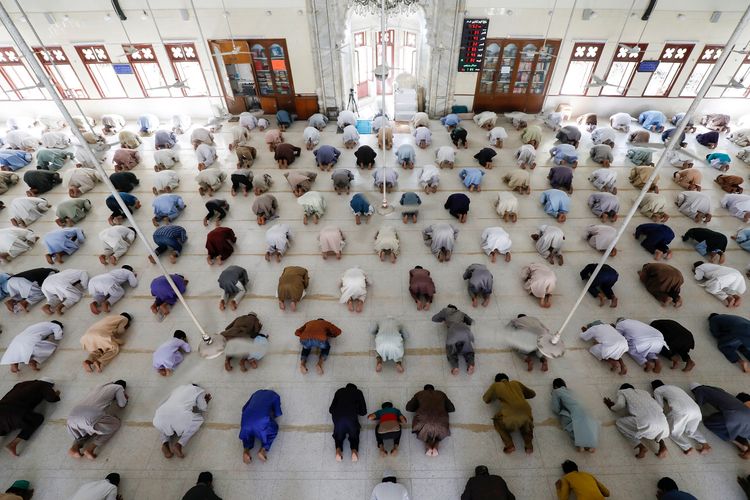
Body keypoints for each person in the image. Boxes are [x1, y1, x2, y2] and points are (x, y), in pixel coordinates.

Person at [604, 383, 669, 458]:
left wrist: (612, 407)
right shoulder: (645, 392)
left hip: (647, 422)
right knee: (657, 428)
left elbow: (620, 405)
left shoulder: (623, 391)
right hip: (663, 422)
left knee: (620, 423)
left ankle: (640, 446)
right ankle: (662, 445)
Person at [66, 381, 128, 459]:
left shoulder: (100, 385)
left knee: (83, 431)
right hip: (89, 416)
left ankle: (74, 448)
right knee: (115, 424)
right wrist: (125, 398)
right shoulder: (118, 387)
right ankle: (90, 449)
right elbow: (122, 404)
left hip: (72, 417)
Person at [0, 379, 60, 457]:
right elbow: (52, 399)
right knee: (37, 419)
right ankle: (13, 444)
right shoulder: (43, 385)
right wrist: (56, 394)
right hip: (14, 414)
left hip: (3, 408)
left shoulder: (19, 384)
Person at [651, 380, 710, 455]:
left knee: (672, 431)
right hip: (696, 410)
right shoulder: (675, 387)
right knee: (691, 430)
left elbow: (660, 406)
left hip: (682, 411)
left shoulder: (657, 390)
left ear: (654, 388)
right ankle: (705, 444)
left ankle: (687, 447)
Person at [692, 384, 750, 458]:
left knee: (709, 423)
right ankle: (741, 443)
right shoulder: (718, 390)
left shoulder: (700, 390)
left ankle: (737, 441)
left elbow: (697, 408)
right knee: (739, 426)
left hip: (733, 418)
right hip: (743, 416)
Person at [153, 384, 210, 459]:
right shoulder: (198, 390)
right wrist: (206, 401)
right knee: (197, 420)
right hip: (178, 415)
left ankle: (165, 444)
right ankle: (179, 444)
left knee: (165, 425)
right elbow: (203, 407)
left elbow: (161, 403)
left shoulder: (177, 389)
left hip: (158, 417)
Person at [483, 373, 536, 454]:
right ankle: (529, 446)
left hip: (511, 416)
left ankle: (509, 445)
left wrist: (496, 395)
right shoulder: (516, 383)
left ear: (497, 381)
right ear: (507, 379)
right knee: (526, 426)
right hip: (526, 412)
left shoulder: (496, 385)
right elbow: (532, 394)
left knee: (497, 420)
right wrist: (519, 395)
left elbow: (486, 399)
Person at [406, 384, 455, 456]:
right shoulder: (441, 394)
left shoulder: (419, 394)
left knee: (421, 430)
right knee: (440, 433)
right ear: (434, 389)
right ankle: (436, 445)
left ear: (424, 390)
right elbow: (451, 409)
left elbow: (409, 408)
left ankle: (428, 445)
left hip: (423, 421)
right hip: (441, 422)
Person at [551, 379, 599, 452]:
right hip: (584, 412)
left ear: (555, 386)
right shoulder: (571, 391)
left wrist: (559, 412)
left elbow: (555, 408)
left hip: (570, 412)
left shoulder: (556, 391)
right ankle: (591, 445)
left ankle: (580, 445)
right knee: (584, 427)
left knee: (568, 425)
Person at [239, 389, 282, 464]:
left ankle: (246, 449)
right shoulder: (276, 396)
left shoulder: (256, 393)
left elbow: (244, 408)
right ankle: (263, 450)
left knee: (247, 435)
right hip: (260, 423)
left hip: (245, 422)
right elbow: (278, 413)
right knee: (273, 430)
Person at [432, 304, 476, 375]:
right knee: (468, 350)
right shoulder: (461, 313)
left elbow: (434, 318)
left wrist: (444, 319)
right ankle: (470, 364)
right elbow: (471, 321)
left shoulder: (445, 311)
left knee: (451, 351)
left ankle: (455, 367)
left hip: (453, 332)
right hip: (464, 331)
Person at [329, 383, 367, 462]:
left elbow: (331, 410)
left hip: (338, 419)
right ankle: (354, 451)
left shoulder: (339, 391)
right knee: (354, 435)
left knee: (338, 436)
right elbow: (363, 412)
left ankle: (338, 451)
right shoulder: (358, 392)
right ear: (355, 389)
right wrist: (356, 410)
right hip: (351, 419)